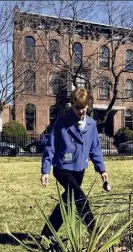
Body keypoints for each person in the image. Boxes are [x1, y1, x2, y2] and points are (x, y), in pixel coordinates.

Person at [40, 88, 108, 236]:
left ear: (88, 106)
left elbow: (95, 148)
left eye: (83, 107)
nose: (81, 111)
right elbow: (50, 146)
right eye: (77, 107)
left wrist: (102, 169)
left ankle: (47, 234)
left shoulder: (92, 125)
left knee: (68, 202)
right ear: (72, 105)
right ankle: (94, 232)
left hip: (80, 169)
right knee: (80, 198)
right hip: (62, 168)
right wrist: (45, 171)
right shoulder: (62, 122)